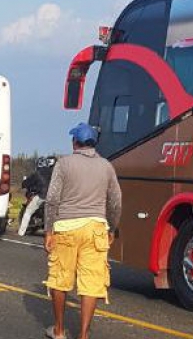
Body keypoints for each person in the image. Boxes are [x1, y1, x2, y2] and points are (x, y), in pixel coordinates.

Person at [44, 123, 122, 339]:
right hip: (96, 227)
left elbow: (52, 200)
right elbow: (115, 202)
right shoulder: (106, 166)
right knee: (91, 282)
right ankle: (84, 335)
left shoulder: (64, 164)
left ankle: (59, 331)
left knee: (60, 278)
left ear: (75, 142)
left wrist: (48, 230)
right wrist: (112, 228)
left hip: (66, 227)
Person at [17, 156, 55, 236]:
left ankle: (21, 232)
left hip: (42, 196)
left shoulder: (36, 173)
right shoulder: (52, 173)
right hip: (52, 197)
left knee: (28, 212)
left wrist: (24, 183)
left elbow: (26, 183)